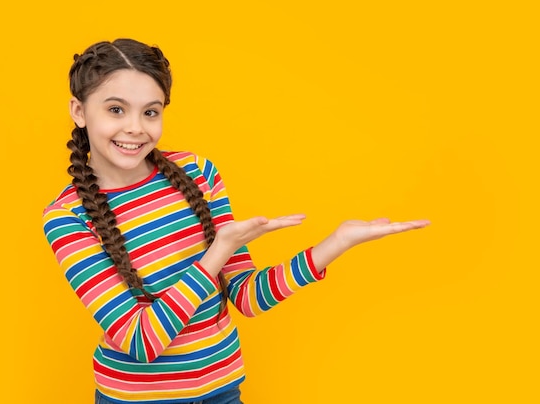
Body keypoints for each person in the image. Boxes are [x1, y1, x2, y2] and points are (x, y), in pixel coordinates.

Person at [42, 38, 430, 404]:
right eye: (115, 109)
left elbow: (246, 297)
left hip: (222, 390)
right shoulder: (66, 217)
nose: (135, 127)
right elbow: (142, 341)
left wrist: (336, 243)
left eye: (150, 112)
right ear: (79, 111)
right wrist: (217, 252)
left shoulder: (197, 173)